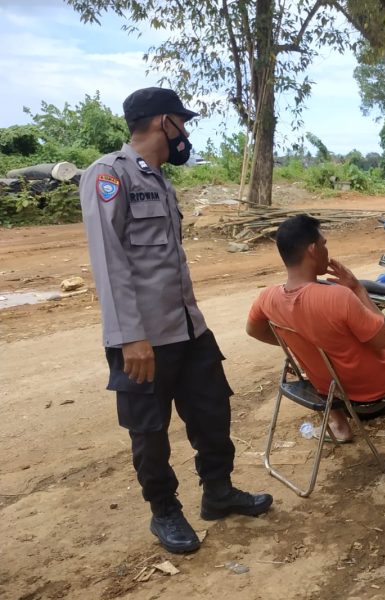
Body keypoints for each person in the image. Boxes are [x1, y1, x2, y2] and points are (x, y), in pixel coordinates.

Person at [80, 87, 273, 555]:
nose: (185, 133)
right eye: (181, 123)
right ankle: (164, 510)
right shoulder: (108, 175)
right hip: (143, 338)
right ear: (163, 122)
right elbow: (110, 262)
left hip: (188, 327)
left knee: (213, 410)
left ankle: (218, 492)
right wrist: (131, 338)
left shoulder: (162, 181)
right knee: (149, 429)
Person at [246, 215, 385, 442]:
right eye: (324, 244)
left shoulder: (267, 298)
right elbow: (382, 340)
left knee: (318, 346)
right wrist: (358, 289)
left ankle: (338, 423)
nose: (326, 250)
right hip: (375, 383)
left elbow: (253, 330)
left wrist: (298, 343)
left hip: (326, 386)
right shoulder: (338, 296)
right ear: (312, 250)